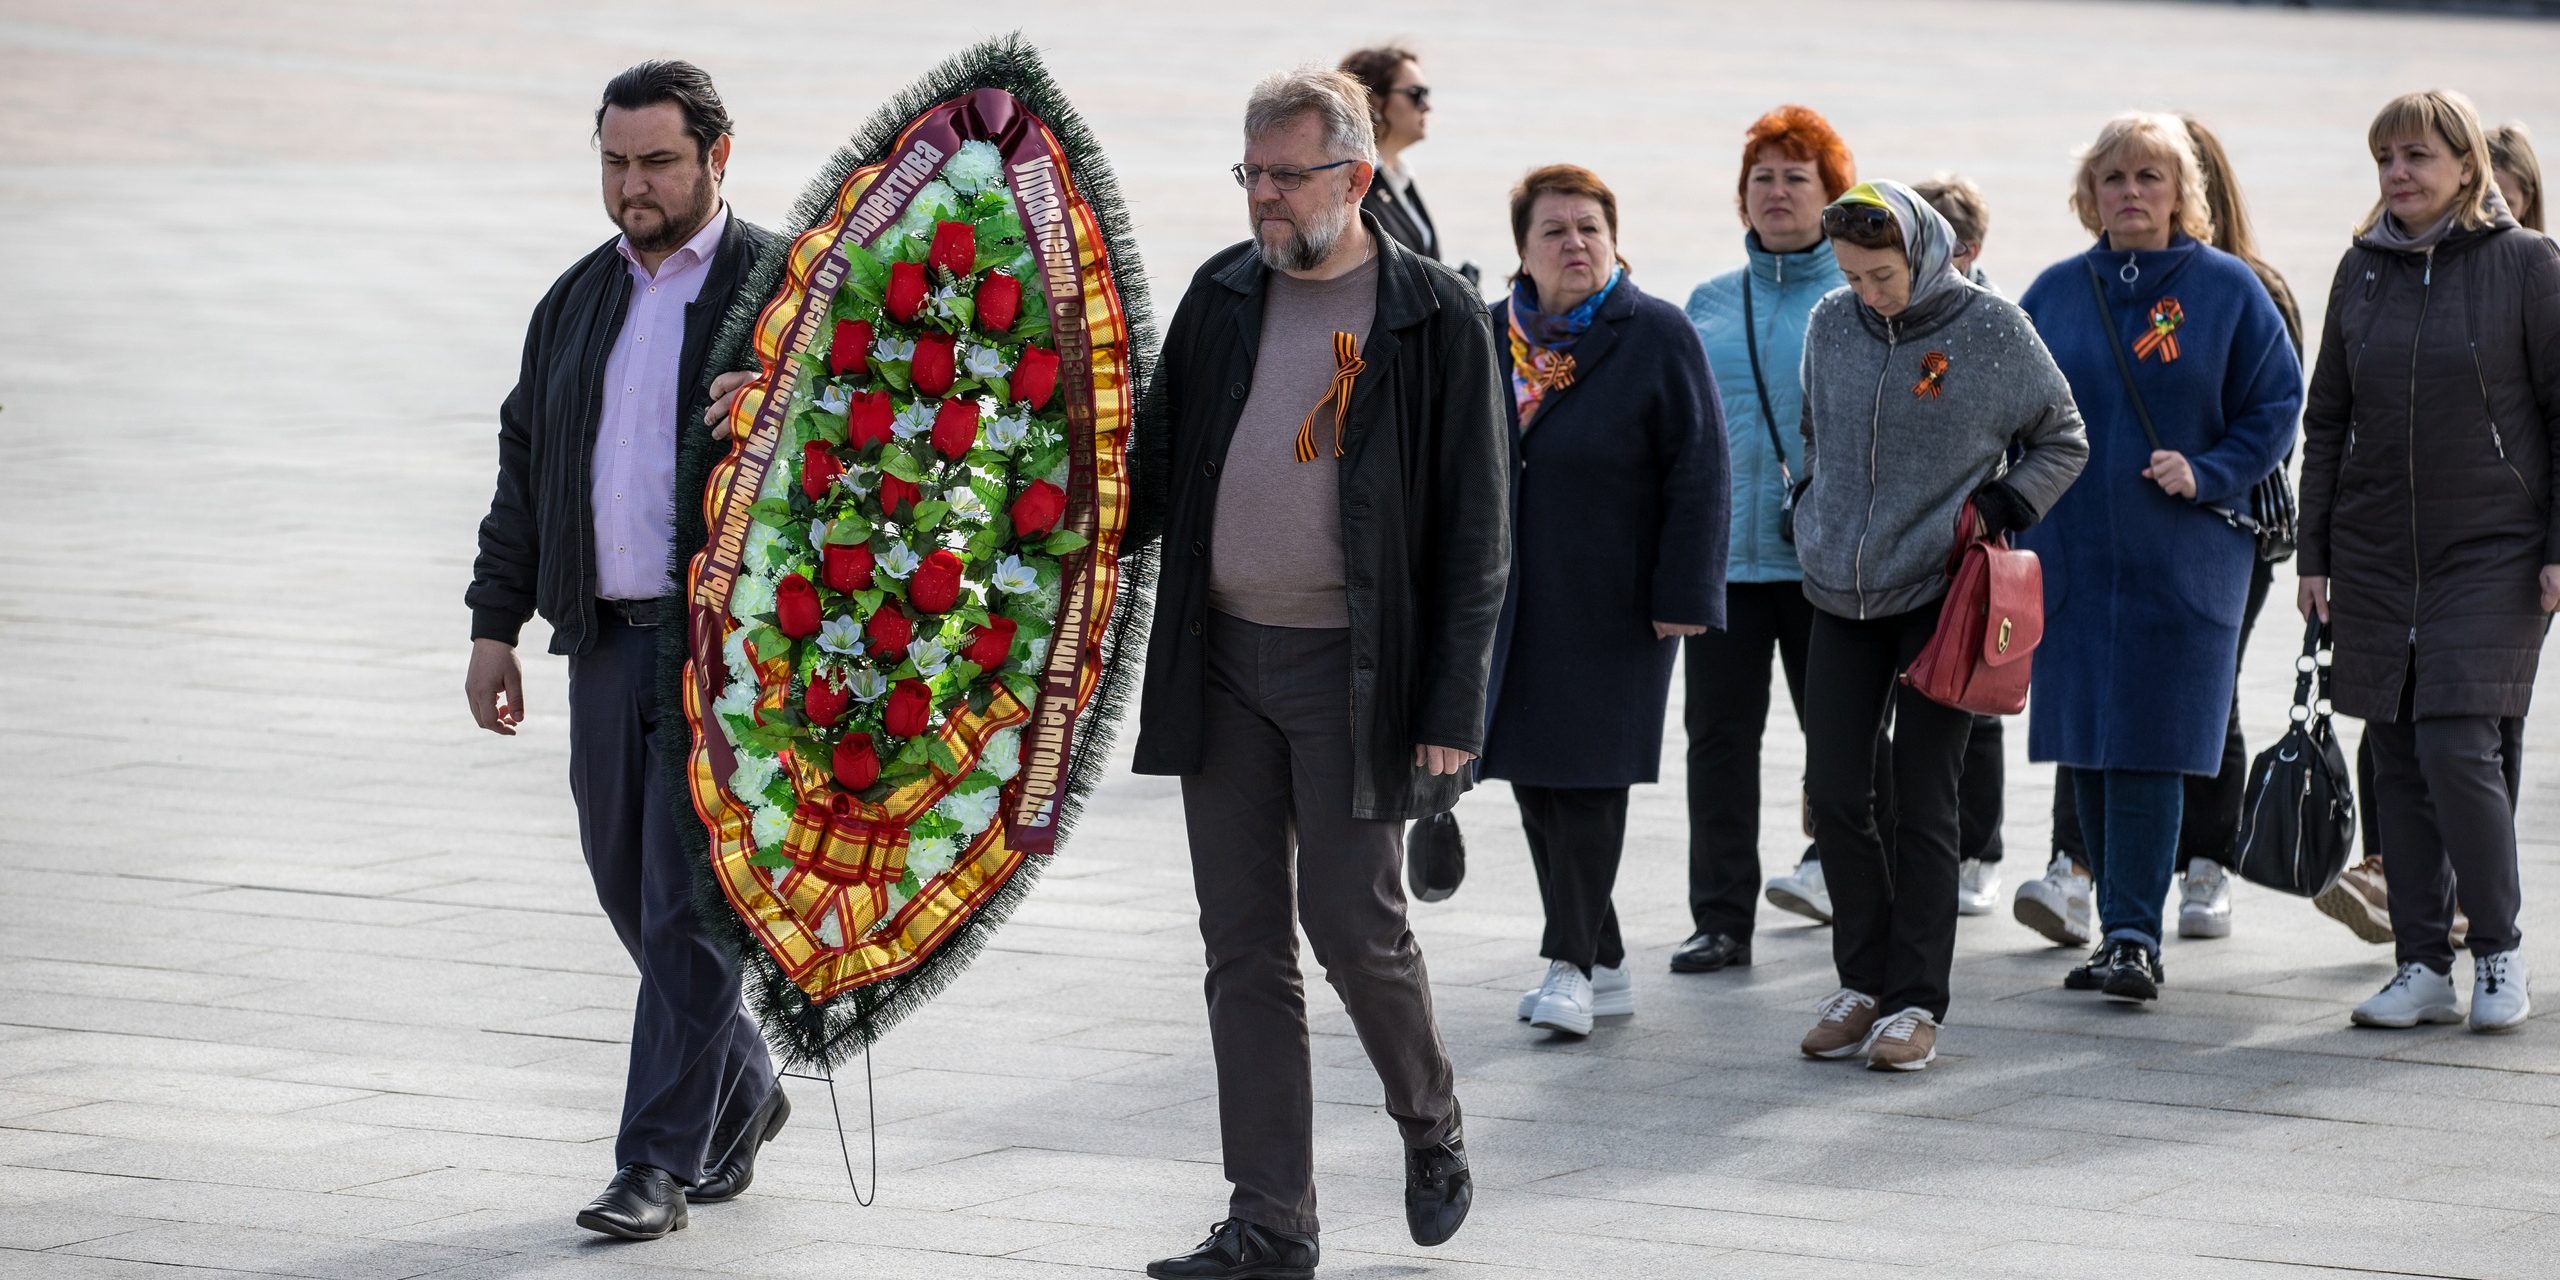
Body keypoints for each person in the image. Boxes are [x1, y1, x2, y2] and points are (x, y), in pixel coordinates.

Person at [1131, 66, 1507, 1276]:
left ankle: (1428, 1114)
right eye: (1249, 175)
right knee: (1240, 945)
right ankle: (1270, 1220)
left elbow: (1476, 529)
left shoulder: (1434, 315)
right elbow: (1150, 469)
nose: (1264, 200)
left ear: (1355, 176)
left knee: (1355, 929)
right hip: (1223, 659)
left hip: (1359, 671)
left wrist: (1450, 706)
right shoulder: (1222, 293)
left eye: (1287, 176)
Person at [464, 61, 786, 1241]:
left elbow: (870, 440)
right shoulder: (574, 299)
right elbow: (524, 465)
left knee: (691, 908)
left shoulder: (784, 287)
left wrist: (779, 405)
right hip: (601, 640)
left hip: (735, 658)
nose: (631, 183)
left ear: (717, 156)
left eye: (656, 161)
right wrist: (494, 624)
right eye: (614, 161)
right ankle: (742, 1087)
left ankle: (655, 1160)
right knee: (623, 882)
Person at [1792, 181, 2087, 1071]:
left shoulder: (1990, 329)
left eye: (1881, 275)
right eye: (1851, 275)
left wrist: (1999, 505)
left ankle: (1916, 1003)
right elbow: (1811, 431)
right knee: (1838, 795)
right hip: (1836, 591)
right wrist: (1803, 504)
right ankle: (1864, 981)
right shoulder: (1829, 323)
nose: (1868, 292)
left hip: (1939, 594)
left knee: (1925, 802)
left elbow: (2063, 436)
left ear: (1924, 252)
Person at [2016, 112, 2301, 1003]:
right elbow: (2004, 410)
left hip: (2184, 554)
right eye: (2113, 179)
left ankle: (2135, 935)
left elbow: (2277, 400)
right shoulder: (2054, 292)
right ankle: (2119, 932)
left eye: (2149, 177)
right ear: (2087, 195)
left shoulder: (2227, 289)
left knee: (2148, 742)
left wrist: (2209, 469)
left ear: (2183, 193)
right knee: (2090, 745)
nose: (2131, 192)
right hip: (2068, 555)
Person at [2298, 88, 2560, 1035]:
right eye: (2385, 160)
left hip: (2495, 548)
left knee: (2457, 742)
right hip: (2372, 552)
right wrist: (2315, 552)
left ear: (2465, 167)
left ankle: (2497, 951)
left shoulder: (2527, 265)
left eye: (2416, 157)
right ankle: (2419, 964)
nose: (2398, 175)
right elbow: (2327, 420)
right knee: (2397, 754)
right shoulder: (2359, 269)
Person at [1484, 164, 1728, 1033]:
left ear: (1615, 240)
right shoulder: (1488, 337)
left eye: (1590, 227)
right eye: (1554, 231)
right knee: (1533, 781)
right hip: (1510, 605)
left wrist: (1684, 592)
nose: (1575, 244)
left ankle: (1570, 965)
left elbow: (1700, 469)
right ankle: (1606, 955)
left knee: (1589, 781)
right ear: (1523, 250)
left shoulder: (1655, 333)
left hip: (1618, 605)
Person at [1677, 105, 1855, 971]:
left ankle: (1857, 900)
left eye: (1797, 176)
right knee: (1716, 746)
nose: (1777, 192)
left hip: (1826, 567)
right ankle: (1720, 919)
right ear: (1742, 197)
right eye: (1763, 177)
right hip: (1725, 567)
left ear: (1830, 196)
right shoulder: (1708, 302)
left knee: (1844, 745)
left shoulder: (1857, 298)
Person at [1914, 172, 2009, 917]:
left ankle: (1981, 849)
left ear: (1970, 250)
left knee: (1973, 704)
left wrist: (1995, 509)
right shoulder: (1880, 317)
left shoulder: (1999, 322)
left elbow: (2042, 436)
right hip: (1900, 552)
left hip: (1973, 549)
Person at [1339, 44, 1478, 285]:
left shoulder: (1401, 179)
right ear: (1373, 101)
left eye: (1427, 94)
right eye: (1416, 94)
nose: (1427, 105)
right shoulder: (1353, 185)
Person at [2490, 121, 2545, 233]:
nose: (2492, 216)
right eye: (2484, 201)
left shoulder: (2541, 249)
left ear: (2526, 203)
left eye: (2506, 204)